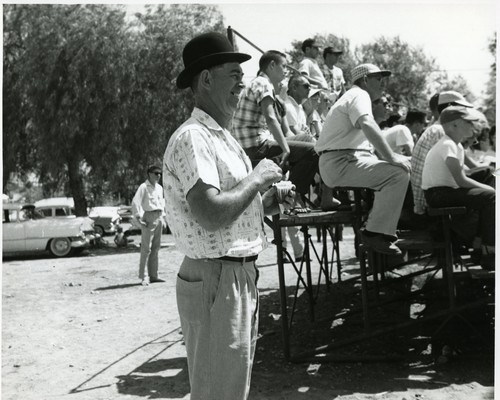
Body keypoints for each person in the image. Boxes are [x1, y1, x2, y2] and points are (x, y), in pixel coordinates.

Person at [163, 32, 292, 400]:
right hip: (218, 276)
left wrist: (267, 203)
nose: (243, 83)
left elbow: (226, 210)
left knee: (228, 387)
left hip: (229, 274)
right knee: (219, 392)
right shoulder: (194, 137)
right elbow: (210, 213)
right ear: (205, 79)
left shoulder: (220, 136)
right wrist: (258, 177)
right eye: (234, 73)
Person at [315, 63, 411, 255]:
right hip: (339, 163)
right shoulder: (359, 94)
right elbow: (366, 123)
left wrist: (398, 158)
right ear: (365, 80)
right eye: (378, 79)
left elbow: (366, 142)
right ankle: (374, 233)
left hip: (342, 161)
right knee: (397, 174)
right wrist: (391, 157)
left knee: (405, 166)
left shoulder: (355, 96)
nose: (382, 84)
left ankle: (383, 229)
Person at [232, 50, 339, 210]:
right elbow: (270, 118)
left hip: (255, 144)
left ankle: (324, 193)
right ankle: (293, 196)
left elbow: (275, 121)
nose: (286, 70)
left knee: (309, 139)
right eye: (283, 66)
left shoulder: (257, 83)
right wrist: (285, 148)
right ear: (272, 66)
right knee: (314, 151)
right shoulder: (263, 83)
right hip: (255, 147)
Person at [422, 106, 495, 269]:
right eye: (468, 123)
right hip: (438, 194)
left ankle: (478, 243)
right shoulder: (447, 144)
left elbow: (464, 174)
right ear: (454, 125)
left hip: (445, 191)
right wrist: (490, 190)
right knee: (491, 197)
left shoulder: (456, 145)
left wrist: (487, 174)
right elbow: (461, 180)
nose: (473, 126)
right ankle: (489, 250)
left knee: (488, 174)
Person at [411, 91, 474, 215]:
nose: (466, 114)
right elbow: (463, 171)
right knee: (487, 188)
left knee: (485, 177)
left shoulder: (438, 129)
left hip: (432, 194)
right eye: (462, 109)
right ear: (450, 108)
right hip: (431, 198)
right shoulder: (440, 131)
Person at [131, 165, 166, 286]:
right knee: (146, 248)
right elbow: (136, 202)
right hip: (149, 217)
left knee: (156, 248)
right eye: (156, 173)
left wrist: (163, 218)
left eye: (160, 173)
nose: (158, 176)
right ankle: (144, 276)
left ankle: (154, 275)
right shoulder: (144, 187)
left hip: (159, 216)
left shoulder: (160, 188)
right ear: (149, 174)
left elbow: (162, 203)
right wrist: (138, 218)